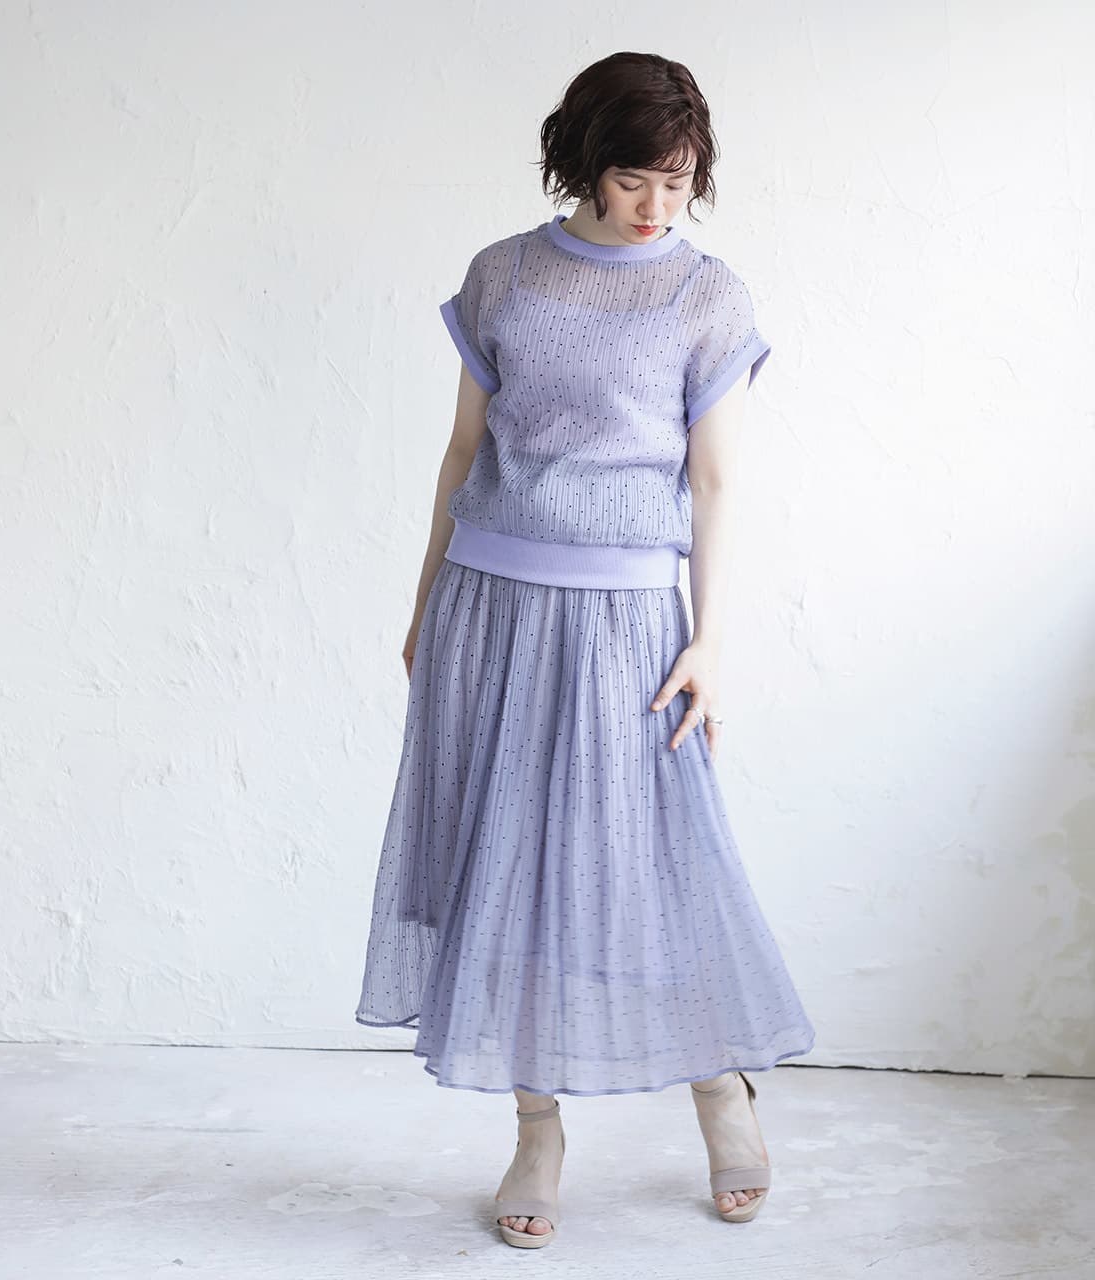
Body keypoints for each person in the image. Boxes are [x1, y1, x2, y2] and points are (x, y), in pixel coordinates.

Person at [353, 52, 816, 1248]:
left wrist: (708, 639)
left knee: (650, 862)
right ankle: (535, 1127)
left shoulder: (705, 297)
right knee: (498, 866)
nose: (655, 204)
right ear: (581, 161)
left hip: (626, 622)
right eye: (631, 178)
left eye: (677, 180)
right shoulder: (502, 275)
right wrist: (422, 602)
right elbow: (463, 455)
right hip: (487, 605)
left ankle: (720, 1085)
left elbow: (713, 480)